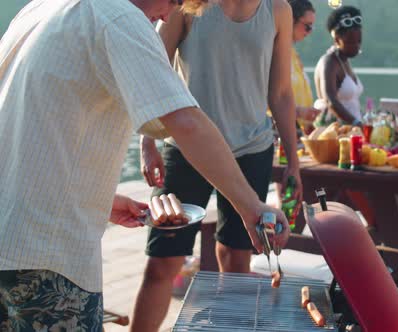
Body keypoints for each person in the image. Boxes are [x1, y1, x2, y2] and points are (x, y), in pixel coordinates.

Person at [0, 0, 290, 330]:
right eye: (176, 1)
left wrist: (99, 200)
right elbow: (186, 122)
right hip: (47, 256)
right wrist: (251, 205)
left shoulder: (41, 8)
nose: (169, 15)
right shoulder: (119, 17)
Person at [132, 0, 301, 330]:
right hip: (186, 148)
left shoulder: (278, 10)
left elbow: (280, 93)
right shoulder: (187, 5)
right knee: (162, 263)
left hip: (252, 149)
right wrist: (147, 140)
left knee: (237, 260)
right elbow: (152, 70)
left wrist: (293, 162)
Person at [314, 5, 364, 126]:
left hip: (352, 131)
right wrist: (356, 122)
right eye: (351, 42)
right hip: (336, 134)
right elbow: (331, 101)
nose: (356, 47)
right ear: (336, 39)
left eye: (359, 42)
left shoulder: (344, 60)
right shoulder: (329, 62)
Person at [288, 0, 320, 135]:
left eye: (312, 27)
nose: (310, 31)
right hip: (278, 134)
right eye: (307, 26)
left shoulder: (293, 54)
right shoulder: (272, 52)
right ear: (290, 20)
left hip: (299, 132)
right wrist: (299, 112)